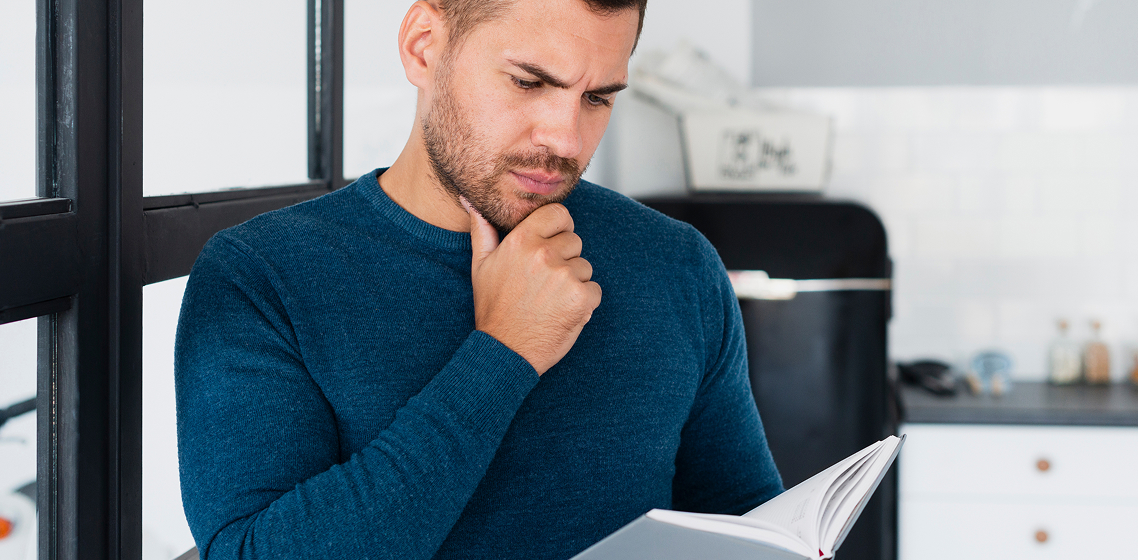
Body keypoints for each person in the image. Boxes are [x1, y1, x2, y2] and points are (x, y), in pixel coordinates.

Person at [174, 0, 784, 558]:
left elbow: (747, 528)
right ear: (423, 45)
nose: (564, 139)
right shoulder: (259, 276)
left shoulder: (676, 265)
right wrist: (504, 353)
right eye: (528, 82)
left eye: (597, 97)